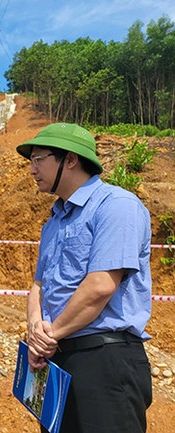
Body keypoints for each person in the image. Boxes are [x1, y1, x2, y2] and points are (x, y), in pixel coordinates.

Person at [18, 123, 152, 433]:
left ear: (70, 159)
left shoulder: (116, 205)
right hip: (56, 357)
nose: (32, 170)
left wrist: (50, 335)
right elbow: (39, 285)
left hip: (103, 359)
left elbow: (100, 285)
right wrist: (36, 332)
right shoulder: (54, 221)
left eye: (38, 159)